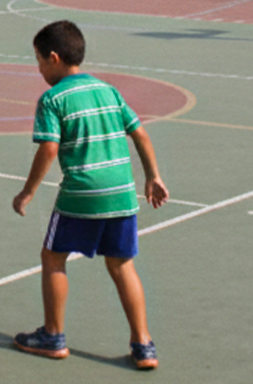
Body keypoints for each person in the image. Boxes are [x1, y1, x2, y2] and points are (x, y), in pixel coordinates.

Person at [12, 20, 168, 371]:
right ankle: (143, 345)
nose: (38, 69)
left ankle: (53, 336)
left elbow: (49, 150)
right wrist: (153, 177)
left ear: (53, 58)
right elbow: (140, 133)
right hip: (122, 194)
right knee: (121, 263)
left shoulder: (53, 99)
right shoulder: (108, 90)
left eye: (38, 61)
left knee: (53, 258)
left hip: (82, 194)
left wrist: (28, 191)